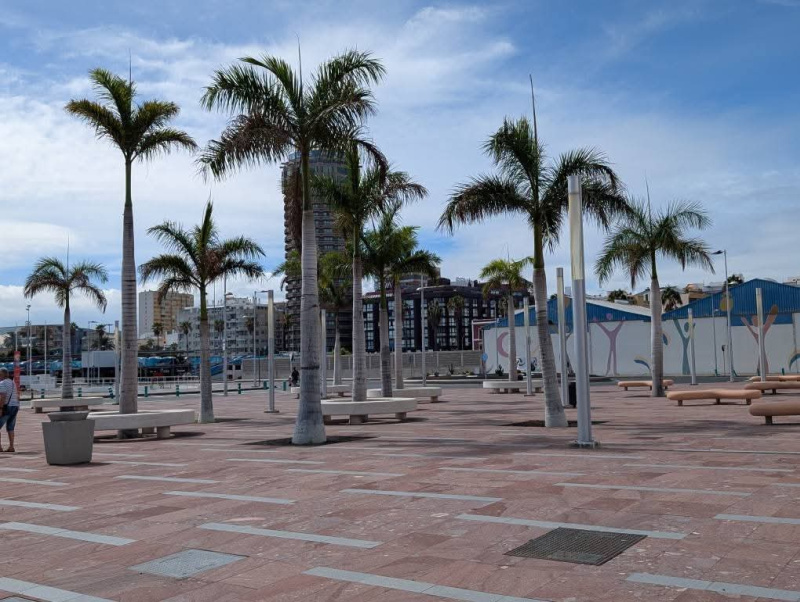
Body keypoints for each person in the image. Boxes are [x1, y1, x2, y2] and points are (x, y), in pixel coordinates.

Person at [0, 367, 19, 453]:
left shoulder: (2, 383)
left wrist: (0, 408)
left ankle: (0, 447)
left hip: (7, 407)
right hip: (15, 406)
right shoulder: (12, 382)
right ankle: (11, 446)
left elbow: (3, 397)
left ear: (2, 375)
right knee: (10, 427)